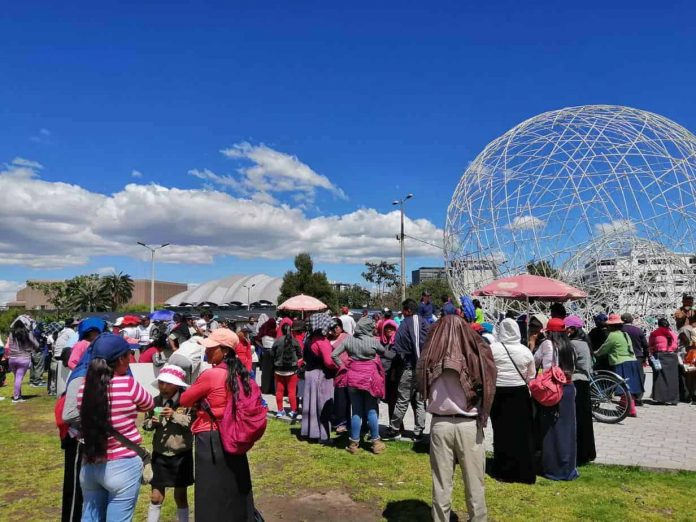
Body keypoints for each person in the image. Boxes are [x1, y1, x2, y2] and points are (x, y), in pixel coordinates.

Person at [416, 314, 497, 522]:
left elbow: (420, 383)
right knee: (475, 482)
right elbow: (488, 383)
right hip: (468, 425)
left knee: (441, 483)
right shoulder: (476, 355)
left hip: (440, 424)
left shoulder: (429, 356)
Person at [179, 328, 257, 521]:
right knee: (234, 484)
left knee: (210, 489)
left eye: (211, 348)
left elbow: (185, 399)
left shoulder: (211, 375)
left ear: (225, 350)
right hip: (235, 434)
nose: (206, 351)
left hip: (211, 435)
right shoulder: (240, 373)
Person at [77, 334, 154, 521]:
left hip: (91, 463)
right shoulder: (128, 384)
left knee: (90, 517)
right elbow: (149, 404)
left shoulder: (84, 388)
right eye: (129, 354)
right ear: (121, 359)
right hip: (123, 464)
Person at [60, 318, 107, 522]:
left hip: (97, 438)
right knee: (76, 487)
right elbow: (69, 414)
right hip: (79, 437)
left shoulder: (104, 367)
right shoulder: (81, 373)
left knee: (93, 488)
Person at [143, 365, 194, 522]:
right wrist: (151, 423)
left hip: (181, 454)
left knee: (180, 496)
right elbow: (145, 424)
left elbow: (192, 423)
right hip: (160, 454)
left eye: (168, 383)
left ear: (177, 385)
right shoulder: (155, 401)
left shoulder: (187, 401)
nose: (163, 387)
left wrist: (174, 416)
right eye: (161, 383)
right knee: (156, 496)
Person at [488, 318, 536, 483]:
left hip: (499, 393)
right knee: (521, 433)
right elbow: (531, 376)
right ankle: (522, 470)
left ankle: (503, 469)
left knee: (501, 432)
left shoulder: (493, 349)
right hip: (519, 393)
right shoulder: (525, 351)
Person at [331, 317, 386, 454]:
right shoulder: (373, 341)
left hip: (353, 377)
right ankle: (376, 443)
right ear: (368, 328)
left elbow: (334, 355)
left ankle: (354, 444)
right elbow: (383, 351)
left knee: (356, 411)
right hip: (369, 379)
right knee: (371, 410)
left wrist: (342, 367)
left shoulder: (348, 340)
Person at [533, 317, 579, 481]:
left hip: (552, 390)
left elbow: (536, 362)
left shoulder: (547, 344)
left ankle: (552, 467)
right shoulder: (570, 346)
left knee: (551, 430)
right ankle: (567, 466)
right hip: (568, 389)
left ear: (550, 332)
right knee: (567, 430)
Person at [383, 299, 429, 442]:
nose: (402, 313)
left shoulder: (404, 324)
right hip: (423, 370)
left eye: (404, 310)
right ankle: (418, 432)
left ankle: (394, 429)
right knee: (420, 401)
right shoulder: (425, 323)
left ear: (408, 310)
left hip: (409, 368)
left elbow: (398, 347)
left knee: (402, 399)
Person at [300, 314, 338, 444]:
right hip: (321, 375)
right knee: (323, 406)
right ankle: (323, 436)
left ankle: (310, 432)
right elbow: (328, 362)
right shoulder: (322, 341)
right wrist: (340, 365)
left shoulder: (308, 339)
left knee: (310, 405)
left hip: (309, 374)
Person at [595, 314, 642, 417]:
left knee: (622, 386)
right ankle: (626, 407)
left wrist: (595, 353)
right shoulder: (625, 334)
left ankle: (630, 409)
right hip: (632, 361)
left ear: (612, 326)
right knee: (630, 386)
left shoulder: (613, 335)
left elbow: (604, 348)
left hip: (621, 362)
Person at [565, 315, 596, 465]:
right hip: (585, 382)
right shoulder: (585, 343)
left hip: (576, 382)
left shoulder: (572, 344)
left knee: (576, 418)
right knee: (585, 419)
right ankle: (587, 452)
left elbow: (569, 365)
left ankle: (578, 453)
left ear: (572, 329)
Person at [271, 322, 302, 418]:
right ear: (291, 330)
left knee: (279, 391)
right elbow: (300, 355)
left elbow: (272, 354)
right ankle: (293, 411)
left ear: (282, 330)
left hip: (278, 369)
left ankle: (280, 411)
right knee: (292, 391)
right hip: (292, 370)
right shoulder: (295, 341)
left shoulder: (277, 341)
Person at [5, 315, 39, 403]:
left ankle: (18, 395)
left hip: (12, 359)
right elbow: (35, 343)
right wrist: (35, 347)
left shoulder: (11, 334)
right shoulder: (27, 333)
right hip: (24, 358)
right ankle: (16, 397)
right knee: (19, 378)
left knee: (17, 377)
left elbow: (8, 345)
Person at [327, 318, 351, 432]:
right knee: (336, 398)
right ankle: (337, 420)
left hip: (344, 371)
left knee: (342, 398)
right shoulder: (328, 338)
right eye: (333, 327)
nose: (335, 329)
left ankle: (343, 423)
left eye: (337, 326)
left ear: (341, 327)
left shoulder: (347, 337)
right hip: (331, 372)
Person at [649, 318, 680, 405]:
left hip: (660, 356)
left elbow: (651, 345)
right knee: (673, 378)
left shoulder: (655, 333)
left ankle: (660, 399)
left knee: (660, 378)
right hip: (672, 357)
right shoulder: (673, 334)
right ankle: (673, 399)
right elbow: (676, 346)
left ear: (658, 324)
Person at [621, 313, 649, 405]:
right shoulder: (638, 330)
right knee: (639, 377)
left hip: (624, 356)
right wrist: (645, 357)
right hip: (638, 356)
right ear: (631, 320)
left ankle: (627, 397)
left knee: (626, 377)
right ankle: (638, 398)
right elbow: (645, 345)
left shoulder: (619, 330)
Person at [379, 319, 400, 421]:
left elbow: (397, 359)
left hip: (392, 376)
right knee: (386, 401)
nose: (389, 330)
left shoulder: (397, 342)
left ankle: (396, 425)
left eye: (391, 328)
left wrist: (393, 373)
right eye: (387, 328)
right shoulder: (380, 342)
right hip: (381, 376)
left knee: (393, 401)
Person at [255, 316, 277, 394]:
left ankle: (265, 389)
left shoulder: (263, 331)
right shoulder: (275, 332)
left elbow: (256, 340)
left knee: (265, 372)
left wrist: (262, 347)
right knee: (274, 371)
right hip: (274, 352)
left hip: (266, 352)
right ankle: (273, 389)